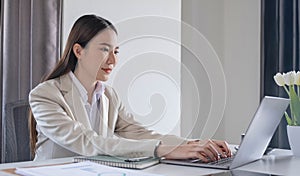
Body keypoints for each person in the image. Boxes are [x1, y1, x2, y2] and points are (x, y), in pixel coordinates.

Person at [29, 14, 231, 161]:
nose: (112, 60)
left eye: (116, 51)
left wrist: (192, 145)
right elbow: (87, 141)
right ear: (78, 51)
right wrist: (163, 150)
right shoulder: (45, 95)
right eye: (104, 50)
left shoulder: (108, 95)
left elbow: (140, 133)